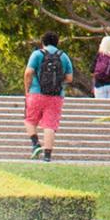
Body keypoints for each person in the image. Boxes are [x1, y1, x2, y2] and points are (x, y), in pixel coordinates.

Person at [24, 33, 76, 162]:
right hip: (56, 96)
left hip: (36, 93)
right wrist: (57, 80)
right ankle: (47, 156)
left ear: (43, 42)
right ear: (57, 42)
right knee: (50, 125)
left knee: (29, 120)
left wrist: (27, 89)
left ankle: (35, 143)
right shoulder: (63, 56)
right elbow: (69, 78)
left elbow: (28, 72)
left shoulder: (37, 54)